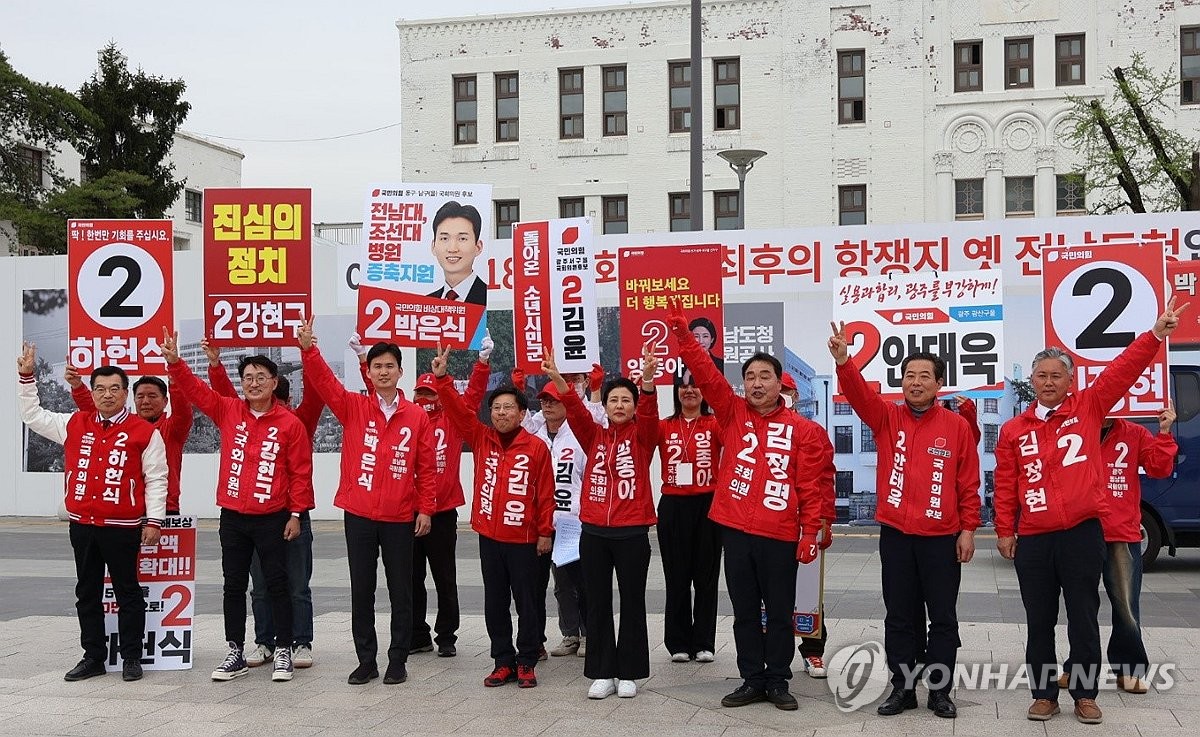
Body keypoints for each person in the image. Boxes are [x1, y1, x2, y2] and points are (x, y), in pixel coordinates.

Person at [995, 297, 1186, 725]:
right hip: (1036, 537)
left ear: (1070, 381)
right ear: (1032, 380)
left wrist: (1155, 335)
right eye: (1041, 375)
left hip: (1083, 532)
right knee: (1039, 619)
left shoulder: (1089, 408)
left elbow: (1122, 370)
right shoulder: (1013, 430)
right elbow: (1006, 485)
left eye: (1056, 376)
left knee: (1084, 617)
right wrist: (1005, 530)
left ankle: (1085, 693)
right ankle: (1043, 694)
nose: (1048, 382)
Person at [668, 299, 827, 712]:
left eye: (765, 376)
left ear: (780, 384)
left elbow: (811, 485)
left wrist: (811, 531)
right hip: (735, 529)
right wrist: (685, 337)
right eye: (750, 377)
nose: (757, 383)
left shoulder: (803, 431)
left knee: (778, 613)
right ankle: (751, 679)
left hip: (779, 534)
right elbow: (705, 373)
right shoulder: (731, 412)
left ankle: (778, 680)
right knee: (743, 613)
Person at [829, 323, 981, 719]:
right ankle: (903, 688)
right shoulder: (886, 419)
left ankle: (940, 691)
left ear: (939, 384)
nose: (915, 383)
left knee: (943, 617)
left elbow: (968, 482)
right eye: (909, 376)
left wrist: (967, 529)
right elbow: (860, 395)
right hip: (896, 535)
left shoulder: (957, 427)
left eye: (924, 376)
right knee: (899, 615)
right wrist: (844, 361)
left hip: (940, 538)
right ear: (901, 382)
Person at [162, 331, 314, 684]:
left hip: (273, 517)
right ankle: (235, 651)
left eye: (262, 377)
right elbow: (197, 391)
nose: (255, 383)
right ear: (241, 383)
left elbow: (300, 472)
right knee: (233, 585)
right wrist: (175, 362)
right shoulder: (229, 410)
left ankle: (282, 651)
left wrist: (295, 514)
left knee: (278, 583)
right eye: (248, 378)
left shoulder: (289, 423)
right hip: (233, 516)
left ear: (275, 382)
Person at [297, 318, 436, 687]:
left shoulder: (416, 416)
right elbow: (325, 383)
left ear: (400, 372)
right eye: (377, 366)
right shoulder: (353, 407)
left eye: (390, 366)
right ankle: (366, 660)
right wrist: (309, 349)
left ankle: (397, 660)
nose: (384, 372)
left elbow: (426, 467)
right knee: (362, 589)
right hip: (358, 514)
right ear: (369, 373)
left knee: (401, 590)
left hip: (399, 516)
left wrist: (425, 508)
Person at [18, 343, 167, 683]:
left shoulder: (144, 432)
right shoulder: (75, 423)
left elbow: (157, 478)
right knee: (87, 592)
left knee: (128, 591)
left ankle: (131, 657)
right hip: (83, 525)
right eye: (100, 388)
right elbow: (33, 415)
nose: (107, 395)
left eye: (115, 388)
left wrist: (154, 520)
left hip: (123, 526)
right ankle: (94, 657)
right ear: (93, 392)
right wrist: (27, 377)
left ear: (125, 393)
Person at [431, 344, 555, 687]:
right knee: (495, 602)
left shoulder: (536, 447)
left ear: (520, 413)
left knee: (528, 602)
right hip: (490, 536)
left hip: (526, 539)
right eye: (496, 408)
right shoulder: (481, 437)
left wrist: (545, 531)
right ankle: (503, 659)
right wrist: (442, 378)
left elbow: (545, 494)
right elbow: (457, 411)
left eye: (508, 408)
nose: (501, 413)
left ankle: (527, 659)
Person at [542, 343, 659, 700]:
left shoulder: (642, 437)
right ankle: (602, 672)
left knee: (633, 601)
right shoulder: (593, 436)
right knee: (597, 603)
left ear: (634, 405)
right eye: (613, 401)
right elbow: (576, 412)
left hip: (632, 532)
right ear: (605, 407)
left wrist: (649, 383)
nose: (619, 405)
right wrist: (561, 382)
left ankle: (630, 672)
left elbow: (652, 418)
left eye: (626, 400)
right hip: (593, 532)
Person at [202, 338, 321, 670]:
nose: (277, 401)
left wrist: (308, 353)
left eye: (280, 394)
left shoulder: (297, 421)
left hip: (288, 512)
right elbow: (224, 399)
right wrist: (213, 366)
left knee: (294, 584)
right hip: (245, 514)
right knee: (257, 586)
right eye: (249, 380)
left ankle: (299, 641)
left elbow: (317, 390)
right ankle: (264, 642)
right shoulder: (238, 413)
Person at [1058, 403, 1177, 695]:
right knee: (1081, 607)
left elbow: (1159, 469)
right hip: (1079, 530)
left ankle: (1130, 670)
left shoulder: (1134, 433)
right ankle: (1078, 668)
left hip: (1121, 532)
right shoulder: (1070, 429)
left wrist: (1164, 432)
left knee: (1126, 604)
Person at [656, 379, 723, 663]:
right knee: (677, 576)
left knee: (706, 578)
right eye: (683, 386)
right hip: (673, 505)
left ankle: (705, 642)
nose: (690, 390)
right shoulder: (664, 426)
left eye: (695, 385)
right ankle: (678, 642)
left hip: (708, 505)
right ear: (676, 393)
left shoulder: (714, 424)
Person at [66, 368, 191, 515]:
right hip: (127, 508)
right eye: (140, 396)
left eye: (152, 396)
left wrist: (175, 383)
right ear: (132, 398)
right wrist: (77, 386)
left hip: (164, 508)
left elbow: (183, 412)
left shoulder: (172, 430)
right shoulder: (122, 427)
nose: (145, 401)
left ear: (165, 401)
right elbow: (94, 409)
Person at [426, 200, 487, 306]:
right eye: (444, 238)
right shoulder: (425, 303)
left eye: (462, 238)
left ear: (478, 247)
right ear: (433, 246)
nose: (452, 248)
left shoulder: (489, 297)